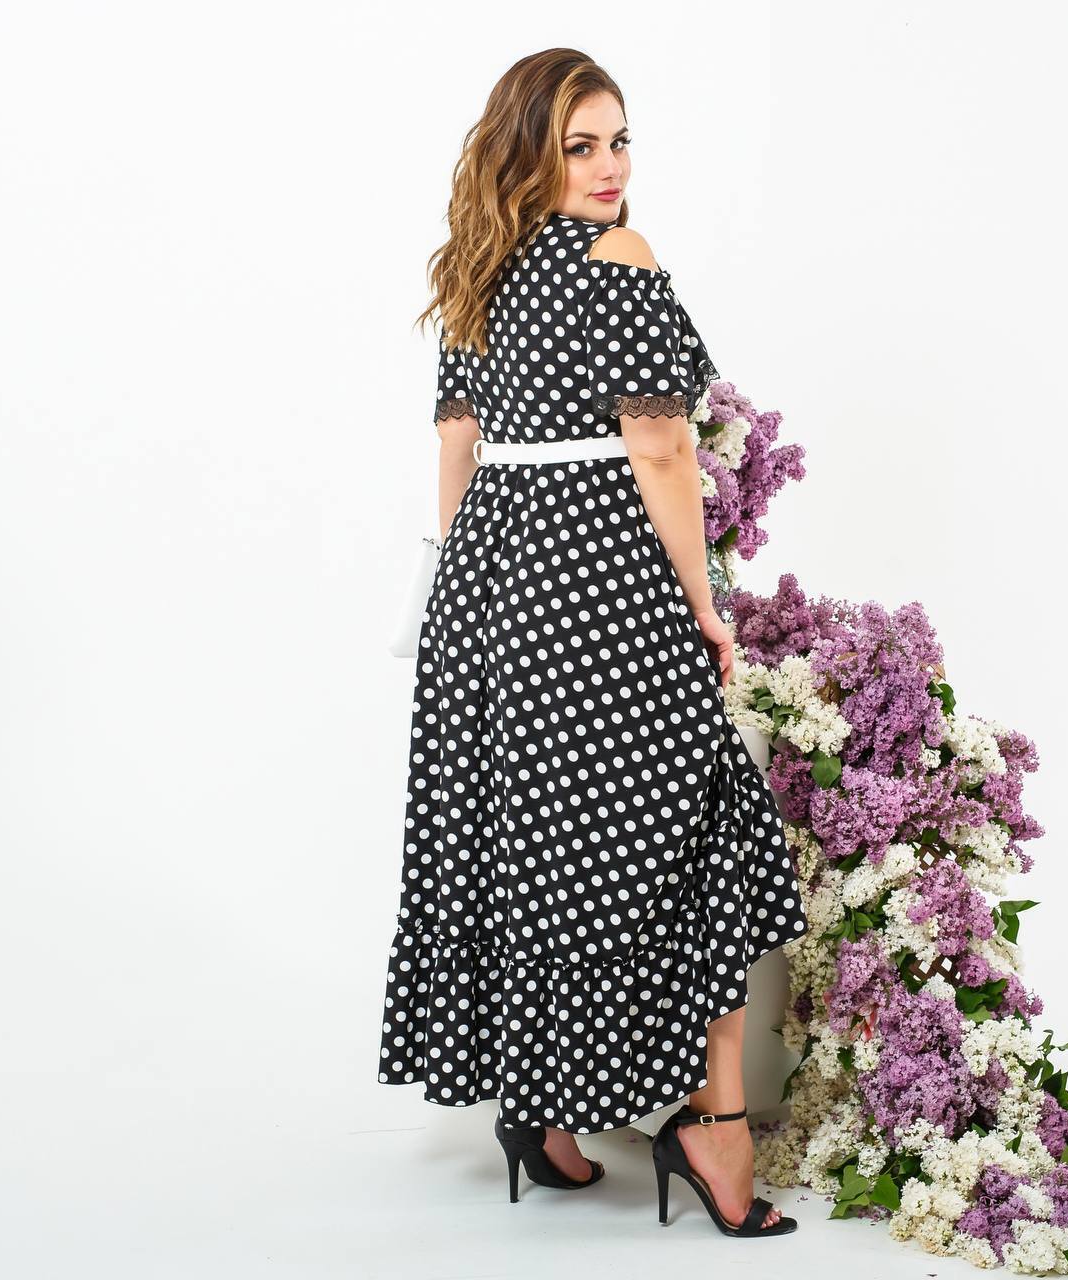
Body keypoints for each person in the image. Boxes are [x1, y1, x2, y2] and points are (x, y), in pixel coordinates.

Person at [376, 48, 808, 1239]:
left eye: (618, 141)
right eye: (580, 146)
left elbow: (456, 446)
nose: (609, 168)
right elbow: (660, 446)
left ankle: (540, 1115)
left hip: (486, 584)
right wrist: (702, 603)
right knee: (699, 823)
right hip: (597, 578)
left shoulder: (474, 266)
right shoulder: (615, 259)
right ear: (530, 152)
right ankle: (713, 1126)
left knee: (528, 838)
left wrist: (458, 591)